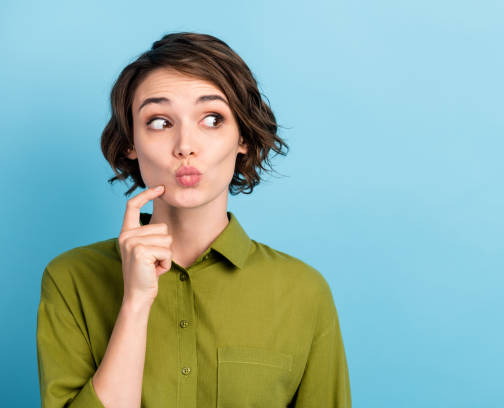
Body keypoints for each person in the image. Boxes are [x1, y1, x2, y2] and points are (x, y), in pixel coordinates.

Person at [36, 32, 351, 408]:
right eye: (159, 122)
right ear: (130, 143)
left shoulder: (303, 293)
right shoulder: (72, 278)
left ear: (243, 137)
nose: (185, 145)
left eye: (212, 119)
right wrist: (135, 303)